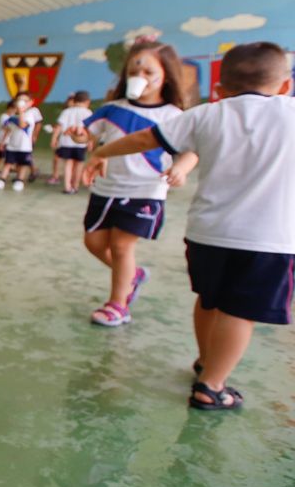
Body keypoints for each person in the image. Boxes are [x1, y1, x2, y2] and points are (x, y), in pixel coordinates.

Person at [89, 42, 294, 409]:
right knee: (240, 313)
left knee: (210, 300)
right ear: (284, 86)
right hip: (268, 239)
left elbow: (144, 139)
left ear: (220, 88)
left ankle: (204, 361)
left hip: (206, 234)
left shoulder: (206, 114)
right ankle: (212, 386)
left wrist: (101, 152)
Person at [76, 39, 195, 327]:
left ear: (166, 75)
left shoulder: (174, 116)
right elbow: (86, 134)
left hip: (146, 190)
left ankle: (118, 304)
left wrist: (181, 167)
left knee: (120, 247)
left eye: (148, 72)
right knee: (94, 242)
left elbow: (191, 150)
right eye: (134, 71)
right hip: (105, 187)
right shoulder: (112, 108)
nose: (139, 77)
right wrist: (78, 135)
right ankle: (133, 276)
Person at [0, 92, 41, 191]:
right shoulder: (13, 116)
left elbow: (22, 125)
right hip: (12, 145)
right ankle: (2, 180)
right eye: (19, 100)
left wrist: (21, 112)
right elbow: (7, 129)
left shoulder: (29, 115)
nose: (21, 103)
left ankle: (20, 180)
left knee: (23, 164)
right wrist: (2, 142)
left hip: (25, 147)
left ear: (31, 103)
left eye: (25, 101)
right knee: (8, 163)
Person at [53, 91, 93, 195]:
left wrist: (54, 138)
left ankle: (67, 187)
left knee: (68, 164)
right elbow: (91, 130)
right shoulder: (88, 112)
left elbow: (59, 126)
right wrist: (90, 142)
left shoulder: (66, 111)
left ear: (73, 101)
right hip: (81, 144)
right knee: (79, 164)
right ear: (87, 102)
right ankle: (75, 186)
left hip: (66, 142)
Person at [46, 94, 75, 185]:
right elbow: (60, 126)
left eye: (73, 100)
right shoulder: (65, 112)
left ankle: (71, 179)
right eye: (69, 100)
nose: (70, 102)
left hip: (74, 142)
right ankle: (55, 176)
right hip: (63, 141)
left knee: (71, 162)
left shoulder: (82, 112)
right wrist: (55, 135)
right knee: (56, 159)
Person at [0, 100, 15, 174]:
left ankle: (10, 167)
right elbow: (6, 129)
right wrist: (2, 142)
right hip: (3, 140)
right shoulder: (4, 117)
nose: (14, 111)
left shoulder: (10, 117)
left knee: (8, 156)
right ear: (9, 108)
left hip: (7, 141)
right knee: (1, 156)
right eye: (13, 109)